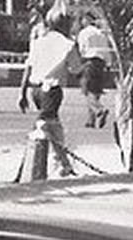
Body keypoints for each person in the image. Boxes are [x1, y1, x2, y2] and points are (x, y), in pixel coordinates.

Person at [18, 12, 82, 178]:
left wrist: (22, 93)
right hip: (51, 89)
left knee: (53, 125)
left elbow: (28, 67)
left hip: (35, 90)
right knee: (44, 124)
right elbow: (76, 69)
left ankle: (63, 163)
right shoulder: (67, 44)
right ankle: (44, 163)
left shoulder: (38, 43)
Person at [75, 13, 112, 128]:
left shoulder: (84, 33)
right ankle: (90, 120)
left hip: (89, 62)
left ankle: (99, 110)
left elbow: (82, 49)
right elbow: (106, 49)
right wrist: (108, 63)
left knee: (87, 90)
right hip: (100, 63)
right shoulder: (101, 33)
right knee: (95, 91)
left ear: (86, 20)